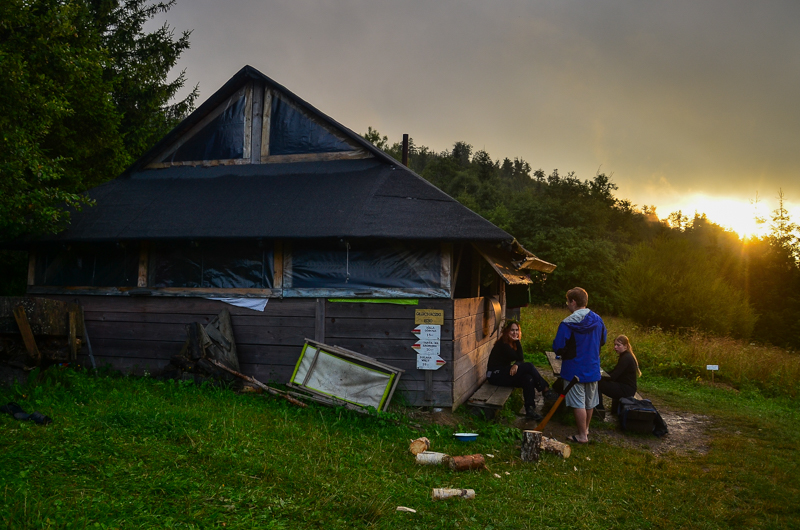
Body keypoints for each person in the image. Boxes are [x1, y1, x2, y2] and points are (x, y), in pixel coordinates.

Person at [552, 287, 606, 444]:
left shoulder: (568, 323)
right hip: (593, 367)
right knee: (589, 402)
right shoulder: (598, 320)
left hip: (574, 369)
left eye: (568, 301)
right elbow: (603, 340)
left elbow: (559, 347)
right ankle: (585, 430)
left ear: (573, 302)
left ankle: (582, 435)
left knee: (578, 403)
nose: (567, 305)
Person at [486, 320, 552, 420]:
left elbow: (520, 359)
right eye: (512, 330)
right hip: (495, 375)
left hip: (503, 373)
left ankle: (530, 410)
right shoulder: (503, 345)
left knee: (528, 378)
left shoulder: (510, 343)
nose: (515, 333)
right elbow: (520, 357)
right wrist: (517, 342)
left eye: (517, 330)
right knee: (529, 366)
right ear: (507, 331)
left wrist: (516, 364)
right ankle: (545, 390)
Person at [596, 335, 641, 415]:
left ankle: (600, 411)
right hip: (625, 387)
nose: (615, 347)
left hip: (626, 390)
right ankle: (599, 409)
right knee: (599, 381)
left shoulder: (626, 358)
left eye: (618, 345)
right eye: (615, 345)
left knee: (598, 384)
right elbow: (614, 372)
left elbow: (613, 376)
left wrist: (599, 376)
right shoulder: (625, 356)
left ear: (625, 346)